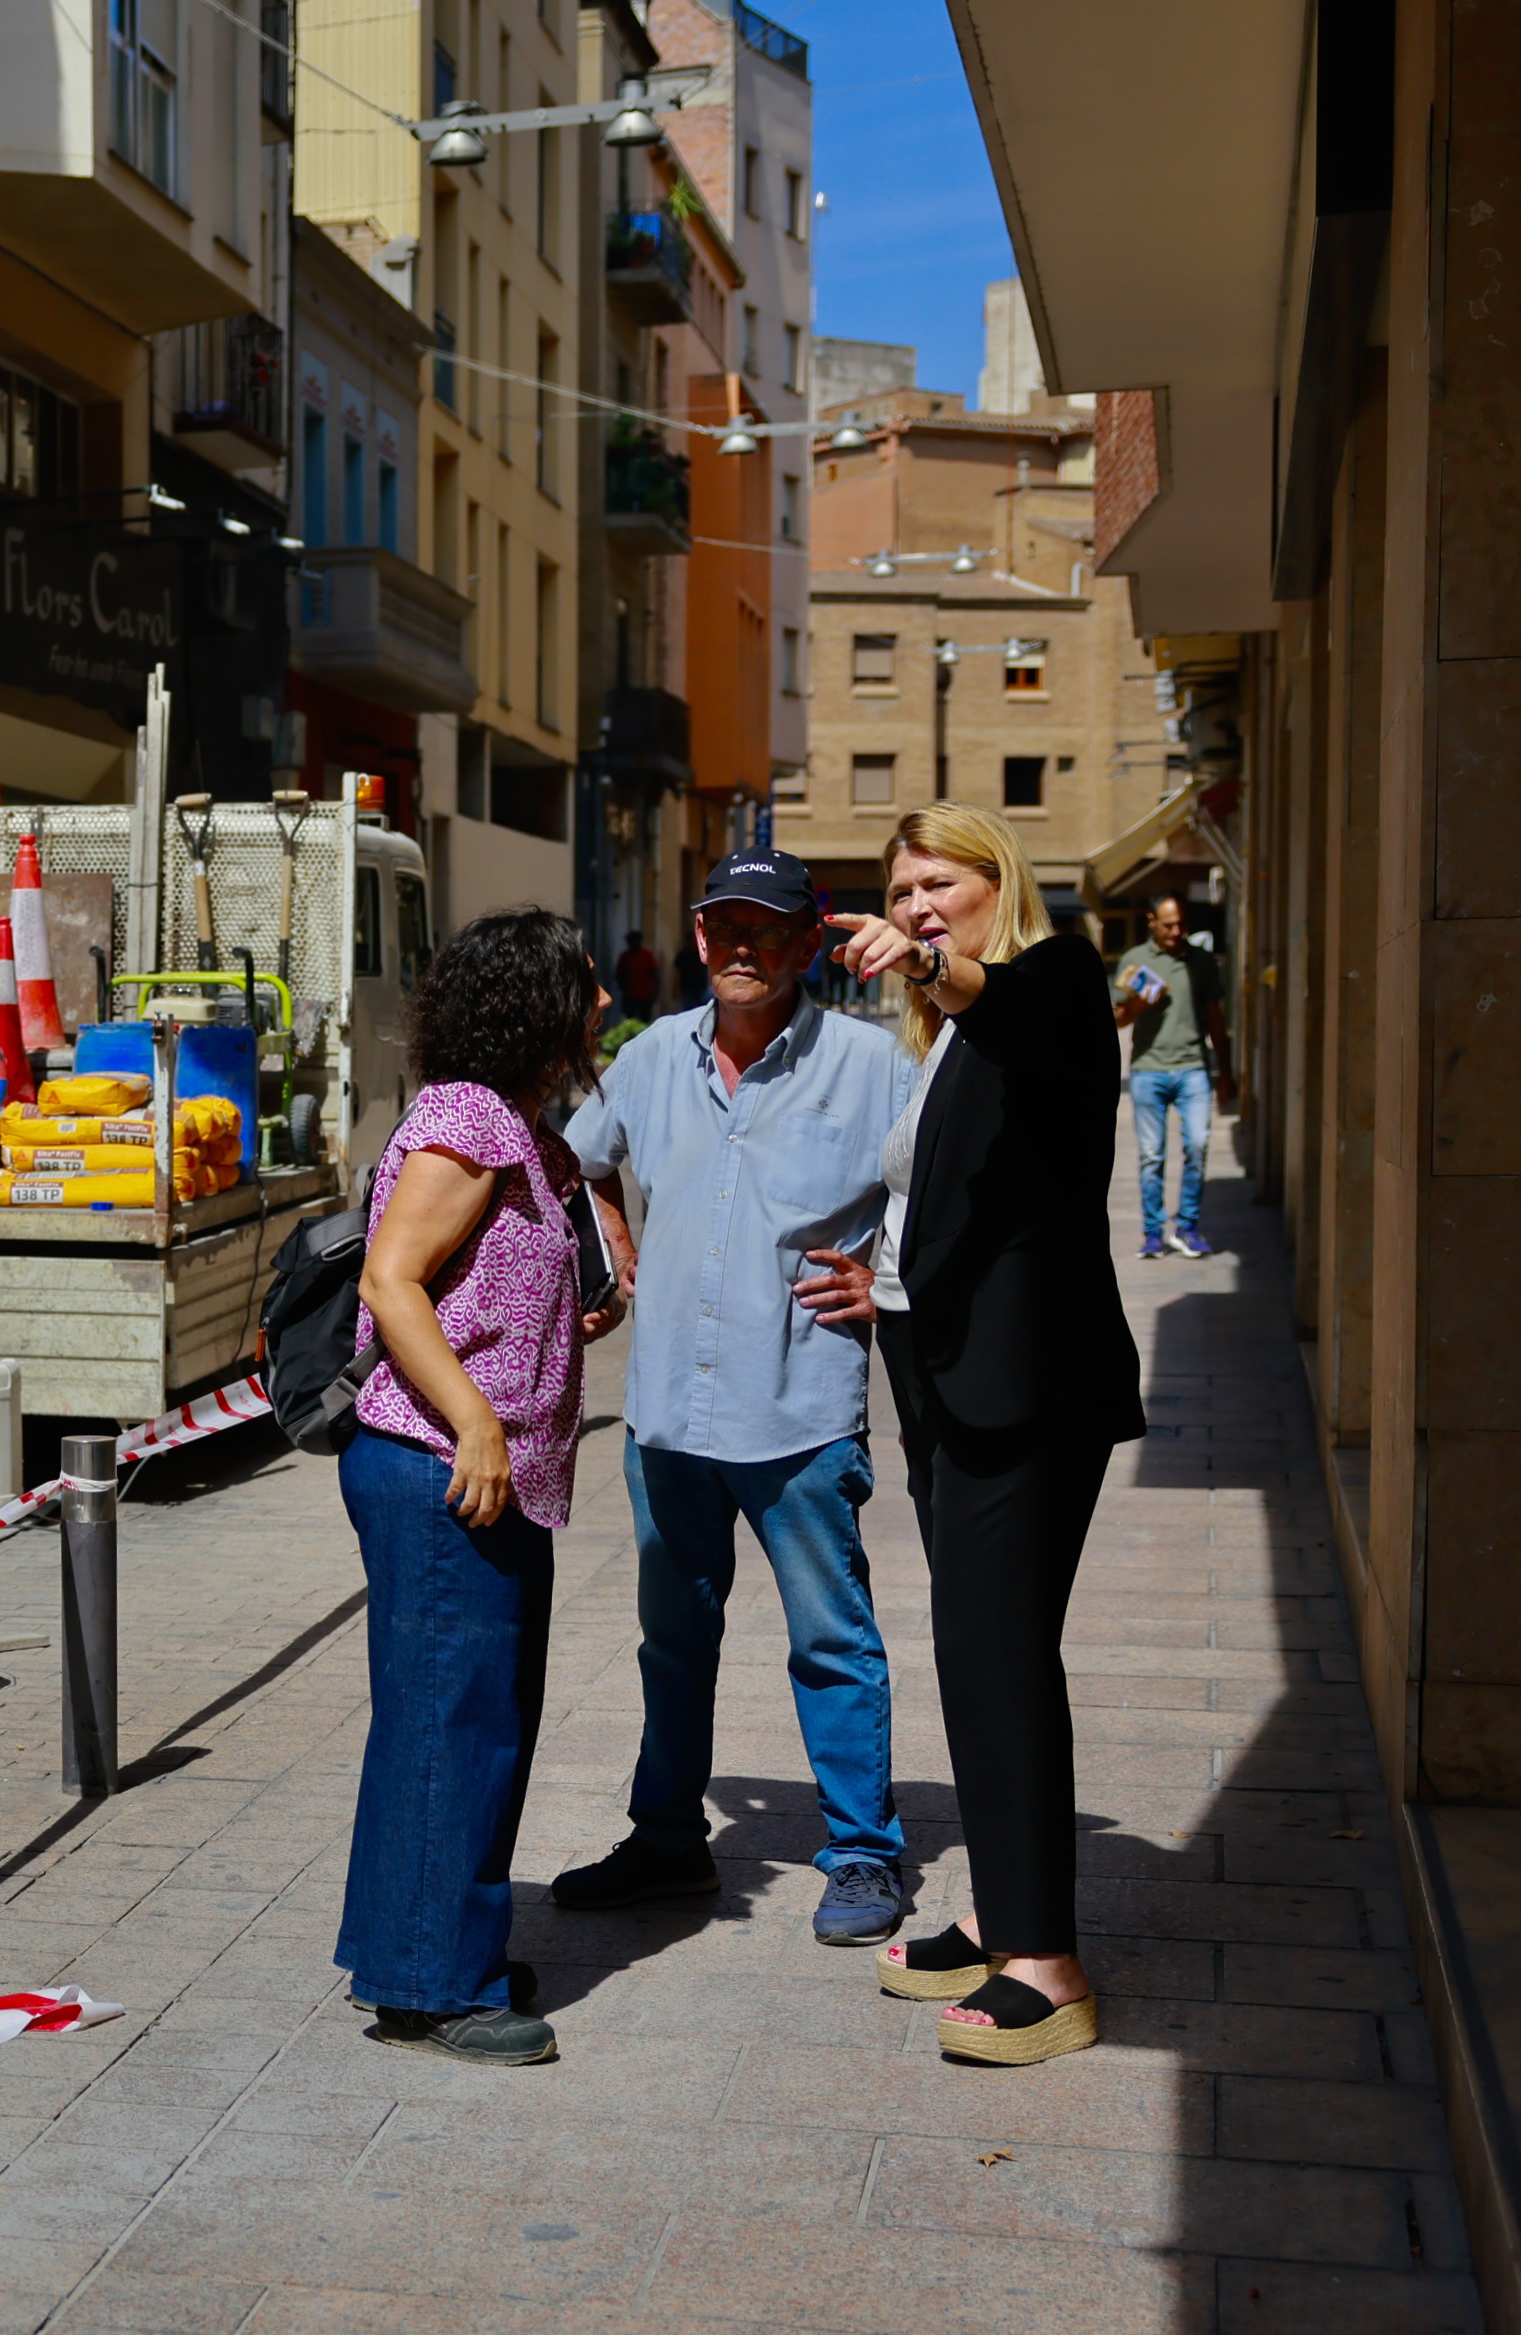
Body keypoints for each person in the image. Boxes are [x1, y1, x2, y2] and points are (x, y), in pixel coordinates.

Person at [824, 804, 1147, 2065]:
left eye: (938, 882)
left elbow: (1006, 1006)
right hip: (946, 1385)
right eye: (901, 889)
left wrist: (929, 965)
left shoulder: (1051, 982)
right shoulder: (947, 1044)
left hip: (1030, 1390)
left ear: (994, 882)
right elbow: (952, 1204)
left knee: (1002, 1653)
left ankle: (1050, 1965)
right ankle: (1001, 1912)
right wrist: (879, 1288)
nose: (916, 904)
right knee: (972, 1653)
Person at [558, 848, 917, 1944]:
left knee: (831, 1636)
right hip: (669, 1406)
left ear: (808, 941)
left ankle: (861, 1849)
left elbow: (947, 1181)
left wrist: (890, 1277)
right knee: (672, 1636)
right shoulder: (654, 1053)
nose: (741, 946)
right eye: (723, 926)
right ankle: (667, 1836)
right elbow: (578, 1157)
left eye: (767, 926)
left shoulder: (870, 1062)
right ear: (701, 937)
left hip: (797, 1404)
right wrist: (610, 1237)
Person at [335, 908, 622, 2066]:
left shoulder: (518, 1127)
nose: (603, 1000)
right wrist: (473, 1420)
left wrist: (579, 1309)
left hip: (487, 1473)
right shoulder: (467, 1118)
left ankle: (445, 1943)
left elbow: (487, 1284)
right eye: (586, 984)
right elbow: (392, 1279)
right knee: (447, 1720)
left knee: (479, 1718)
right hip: (438, 1463)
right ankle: (426, 1985)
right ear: (536, 1004)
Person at [1110, 892, 1229, 1259]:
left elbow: (1215, 1017)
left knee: (1197, 1146)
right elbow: (1118, 1018)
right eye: (1168, 925)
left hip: (1194, 1067)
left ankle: (1188, 1228)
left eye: (1181, 924)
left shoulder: (1202, 961)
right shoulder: (1134, 960)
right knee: (1151, 1155)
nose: (1177, 931)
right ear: (1152, 922)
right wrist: (1144, 1002)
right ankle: (1152, 1234)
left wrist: (1226, 1072)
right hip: (1149, 1069)